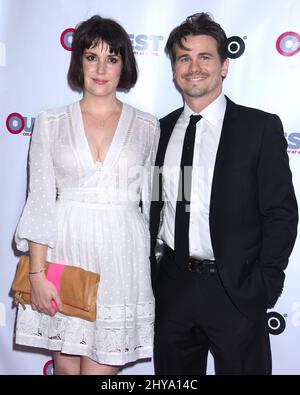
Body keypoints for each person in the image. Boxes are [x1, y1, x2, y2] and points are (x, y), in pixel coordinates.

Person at [149, 12, 298, 375]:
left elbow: (281, 212)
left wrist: (265, 284)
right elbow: (155, 206)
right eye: (184, 58)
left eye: (204, 56)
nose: (193, 66)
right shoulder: (159, 131)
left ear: (224, 65)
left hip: (236, 291)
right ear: (173, 70)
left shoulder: (259, 128)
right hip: (172, 288)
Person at [14, 15, 159, 375]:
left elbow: (157, 198)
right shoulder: (50, 122)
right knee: (65, 369)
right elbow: (41, 200)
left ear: (124, 65)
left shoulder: (148, 126)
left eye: (112, 58)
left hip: (120, 258)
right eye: (92, 56)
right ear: (79, 60)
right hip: (64, 253)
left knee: (102, 372)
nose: (101, 68)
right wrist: (36, 273)